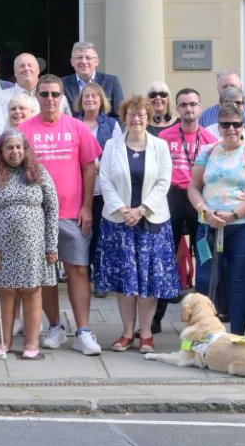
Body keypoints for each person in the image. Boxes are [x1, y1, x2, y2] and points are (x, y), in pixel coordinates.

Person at [16, 74, 104, 355]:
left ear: (63, 97)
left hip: (72, 212)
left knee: (78, 269)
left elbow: (90, 168)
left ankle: (84, 330)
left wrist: (87, 206)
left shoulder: (78, 128)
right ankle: (55, 326)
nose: (50, 99)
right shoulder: (24, 129)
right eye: (44, 94)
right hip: (35, 215)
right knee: (46, 274)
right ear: (37, 97)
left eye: (55, 94)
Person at [94, 96, 178, 353]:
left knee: (148, 281)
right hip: (119, 222)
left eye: (141, 114)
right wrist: (123, 209)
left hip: (151, 221)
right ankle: (127, 332)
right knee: (125, 281)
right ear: (124, 117)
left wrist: (141, 210)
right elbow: (105, 180)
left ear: (149, 116)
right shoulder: (111, 145)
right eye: (131, 114)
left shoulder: (160, 146)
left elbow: (164, 181)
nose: (136, 119)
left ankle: (147, 333)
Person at [0, 130, 60, 360]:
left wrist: (51, 245)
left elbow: (52, 209)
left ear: (25, 149)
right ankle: (4, 341)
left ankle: (32, 344)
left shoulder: (39, 172)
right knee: (6, 292)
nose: (15, 152)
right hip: (2, 246)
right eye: (9, 148)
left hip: (34, 245)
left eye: (19, 147)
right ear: (1, 152)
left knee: (32, 291)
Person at [187, 103, 245, 336]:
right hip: (209, 224)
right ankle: (203, 334)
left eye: (236, 124)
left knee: (238, 280)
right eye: (225, 125)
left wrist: (233, 214)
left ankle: (236, 336)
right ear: (218, 127)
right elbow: (194, 187)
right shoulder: (208, 151)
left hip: (243, 226)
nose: (231, 129)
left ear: (243, 126)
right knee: (204, 280)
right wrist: (205, 211)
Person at [152, 88, 216, 334]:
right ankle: (155, 317)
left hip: (200, 197)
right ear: (176, 109)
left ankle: (204, 317)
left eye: (193, 104)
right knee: (165, 257)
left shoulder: (210, 140)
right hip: (171, 197)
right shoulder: (164, 137)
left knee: (204, 257)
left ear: (200, 107)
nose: (189, 109)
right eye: (184, 105)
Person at [76, 83, 121, 294]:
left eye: (94, 95)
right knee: (81, 233)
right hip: (78, 188)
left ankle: (100, 277)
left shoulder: (112, 125)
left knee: (101, 235)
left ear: (102, 100)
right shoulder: (73, 123)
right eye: (86, 96)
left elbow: (117, 155)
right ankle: (81, 275)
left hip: (103, 190)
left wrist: (97, 164)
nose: (90, 99)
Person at [0, 53, 69, 132]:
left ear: (38, 70)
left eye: (30, 65)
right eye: (22, 66)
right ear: (15, 72)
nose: (26, 68)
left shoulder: (58, 99)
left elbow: (68, 128)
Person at [198, 70, 245, 135]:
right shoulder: (206, 116)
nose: (229, 89)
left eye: (232, 86)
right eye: (225, 86)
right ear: (218, 89)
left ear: (240, 88)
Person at [62, 42, 124, 109]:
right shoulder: (63, 84)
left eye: (88, 58)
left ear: (96, 61)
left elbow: (119, 115)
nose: (84, 61)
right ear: (72, 62)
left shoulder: (111, 82)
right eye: (79, 58)